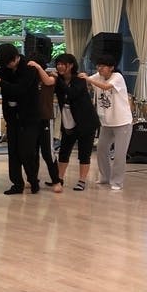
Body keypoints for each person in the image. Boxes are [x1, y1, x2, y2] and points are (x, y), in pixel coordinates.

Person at [0, 44, 41, 195]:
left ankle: (33, 180)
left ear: (16, 57)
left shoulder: (29, 68)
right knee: (13, 152)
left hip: (29, 117)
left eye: (9, 63)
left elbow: (19, 89)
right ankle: (17, 184)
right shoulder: (5, 68)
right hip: (11, 117)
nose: (8, 66)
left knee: (27, 152)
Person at [79, 54, 132, 191]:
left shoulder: (117, 77)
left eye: (102, 66)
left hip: (122, 122)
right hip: (106, 122)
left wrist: (88, 79)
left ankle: (117, 182)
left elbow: (106, 86)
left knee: (119, 154)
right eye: (98, 66)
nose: (99, 69)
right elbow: (87, 80)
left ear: (111, 68)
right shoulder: (98, 76)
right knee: (101, 150)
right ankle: (104, 176)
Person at [54, 54, 100, 191]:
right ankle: (59, 178)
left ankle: (82, 180)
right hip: (68, 121)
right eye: (58, 64)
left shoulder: (79, 79)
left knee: (84, 153)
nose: (59, 66)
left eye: (62, 64)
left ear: (70, 65)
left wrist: (58, 80)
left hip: (86, 122)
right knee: (64, 151)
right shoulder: (58, 80)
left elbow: (72, 93)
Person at [26, 54, 62, 193]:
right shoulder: (30, 79)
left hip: (46, 119)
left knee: (48, 152)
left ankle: (56, 181)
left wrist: (37, 67)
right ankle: (32, 179)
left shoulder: (51, 76)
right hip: (32, 120)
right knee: (32, 151)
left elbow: (48, 82)